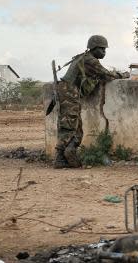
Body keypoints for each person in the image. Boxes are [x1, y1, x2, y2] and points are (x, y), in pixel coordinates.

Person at [54, 35, 127, 169]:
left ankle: (67, 155)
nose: (104, 52)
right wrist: (123, 75)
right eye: (102, 49)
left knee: (76, 127)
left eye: (105, 50)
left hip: (68, 91)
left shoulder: (83, 57)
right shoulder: (90, 60)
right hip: (70, 92)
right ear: (94, 48)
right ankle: (60, 158)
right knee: (69, 125)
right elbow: (107, 75)